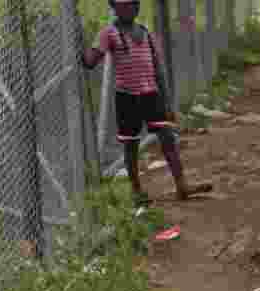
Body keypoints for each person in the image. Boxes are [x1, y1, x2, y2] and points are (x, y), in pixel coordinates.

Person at [83, 0, 211, 207]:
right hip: (127, 97)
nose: (130, 8)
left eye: (133, 4)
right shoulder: (109, 34)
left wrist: (167, 102)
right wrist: (83, 49)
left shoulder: (146, 32)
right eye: (123, 5)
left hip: (152, 94)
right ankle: (137, 192)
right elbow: (90, 61)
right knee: (131, 145)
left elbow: (157, 69)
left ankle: (182, 185)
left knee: (168, 137)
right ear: (114, 8)